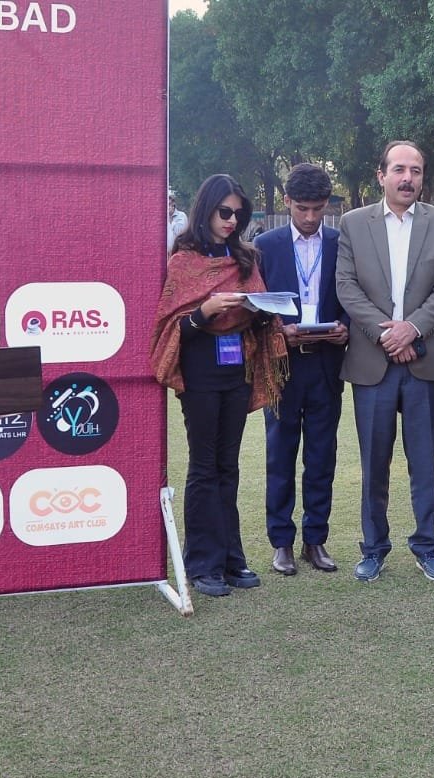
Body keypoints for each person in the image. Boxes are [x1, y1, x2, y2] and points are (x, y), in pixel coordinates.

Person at [149, 174, 288, 597]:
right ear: (206, 209)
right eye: (224, 212)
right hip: (200, 375)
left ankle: (231, 559)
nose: (231, 221)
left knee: (229, 466)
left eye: (238, 215)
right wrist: (205, 311)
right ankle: (201, 563)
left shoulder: (244, 257)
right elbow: (171, 327)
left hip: (237, 372)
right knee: (204, 467)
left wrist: (262, 311)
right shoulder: (183, 260)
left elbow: (261, 314)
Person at [333, 141, 434, 582]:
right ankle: (374, 548)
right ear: (381, 175)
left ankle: (427, 546)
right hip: (373, 362)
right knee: (374, 462)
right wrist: (389, 334)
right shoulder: (353, 223)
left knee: (424, 461)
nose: (408, 178)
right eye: (400, 170)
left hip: (425, 361)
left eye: (416, 171)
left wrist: (413, 328)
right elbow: (346, 286)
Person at [256, 163, 349, 576]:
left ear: (328, 204)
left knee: (321, 455)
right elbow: (254, 305)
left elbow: (354, 294)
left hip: (327, 364)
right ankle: (281, 543)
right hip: (283, 366)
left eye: (318, 209)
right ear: (287, 201)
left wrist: (346, 327)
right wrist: (279, 331)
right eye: (302, 209)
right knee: (280, 454)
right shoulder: (265, 245)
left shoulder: (342, 243)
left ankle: (316, 539)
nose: (310, 218)